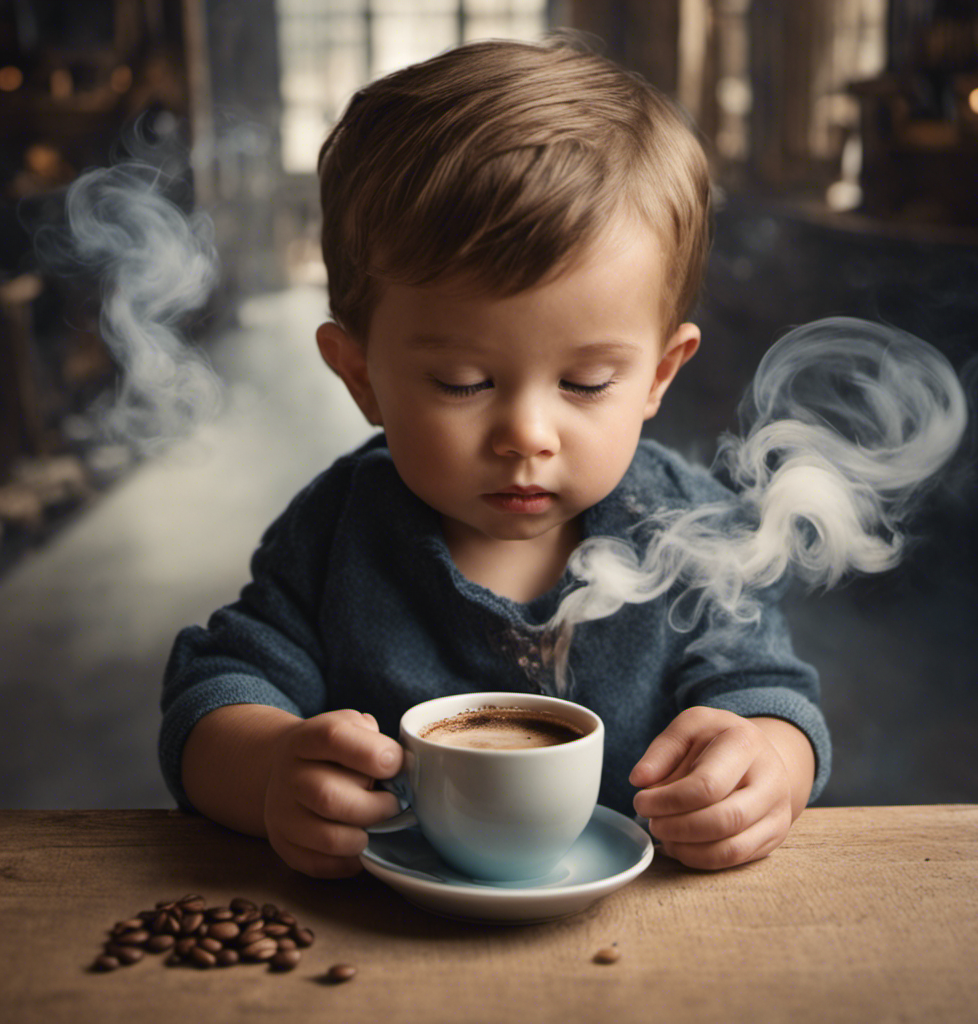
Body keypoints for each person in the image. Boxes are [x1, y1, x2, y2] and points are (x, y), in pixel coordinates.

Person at [160, 35, 830, 880]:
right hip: (382, 938)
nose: (528, 435)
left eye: (587, 382)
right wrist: (268, 773)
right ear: (361, 376)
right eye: (464, 381)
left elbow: (771, 694)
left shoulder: (689, 532)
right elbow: (213, 694)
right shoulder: (340, 532)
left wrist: (767, 764)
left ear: (659, 375)